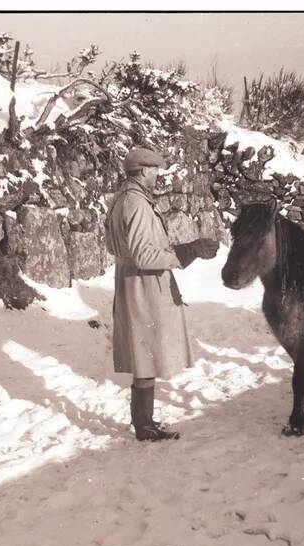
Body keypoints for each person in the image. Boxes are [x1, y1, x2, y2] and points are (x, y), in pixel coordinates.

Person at [104, 147, 219, 441]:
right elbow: (144, 255)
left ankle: (144, 423)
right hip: (144, 285)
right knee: (146, 353)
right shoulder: (138, 204)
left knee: (144, 355)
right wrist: (187, 251)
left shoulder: (121, 199)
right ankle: (144, 425)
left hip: (131, 282)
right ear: (143, 171)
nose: (157, 175)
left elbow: (114, 247)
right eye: (154, 170)